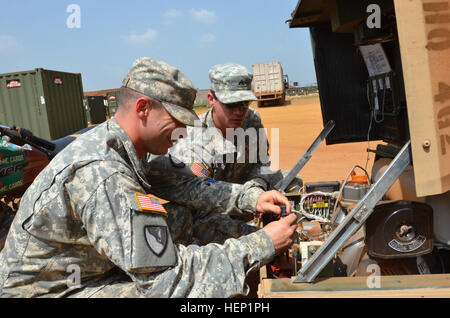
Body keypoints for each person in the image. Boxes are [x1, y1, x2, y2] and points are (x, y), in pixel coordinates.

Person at [0, 57, 298, 298]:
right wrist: (260, 245)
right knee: (194, 289)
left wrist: (251, 197)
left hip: (86, 270)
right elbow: (166, 280)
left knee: (181, 219)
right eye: (176, 120)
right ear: (143, 108)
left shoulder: (126, 146)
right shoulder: (104, 173)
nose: (183, 130)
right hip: (52, 290)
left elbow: (186, 185)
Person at [150, 63, 302, 221]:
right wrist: (251, 204)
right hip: (211, 201)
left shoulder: (252, 119)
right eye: (231, 104)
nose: (239, 111)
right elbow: (200, 194)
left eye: (244, 103)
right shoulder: (195, 139)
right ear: (211, 99)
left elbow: (261, 162)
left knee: (291, 180)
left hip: (246, 191)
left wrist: (257, 187)